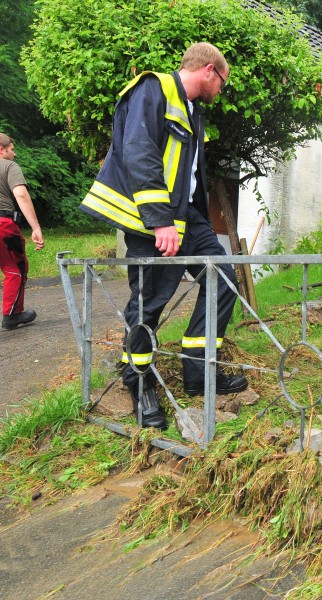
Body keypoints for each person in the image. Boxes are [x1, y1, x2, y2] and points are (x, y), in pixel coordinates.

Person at [81, 43, 247, 430]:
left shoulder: (193, 111)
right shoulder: (151, 90)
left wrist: (186, 217)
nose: (221, 91)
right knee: (150, 302)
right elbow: (139, 153)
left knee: (223, 280)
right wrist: (160, 221)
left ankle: (198, 374)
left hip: (189, 216)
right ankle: (138, 383)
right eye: (222, 82)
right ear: (209, 71)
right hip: (152, 219)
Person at [0, 133, 45, 331]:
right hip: (3, 225)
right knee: (15, 269)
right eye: (11, 149)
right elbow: (21, 193)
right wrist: (35, 227)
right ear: (1, 150)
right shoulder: (9, 166)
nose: (14, 154)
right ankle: (12, 314)